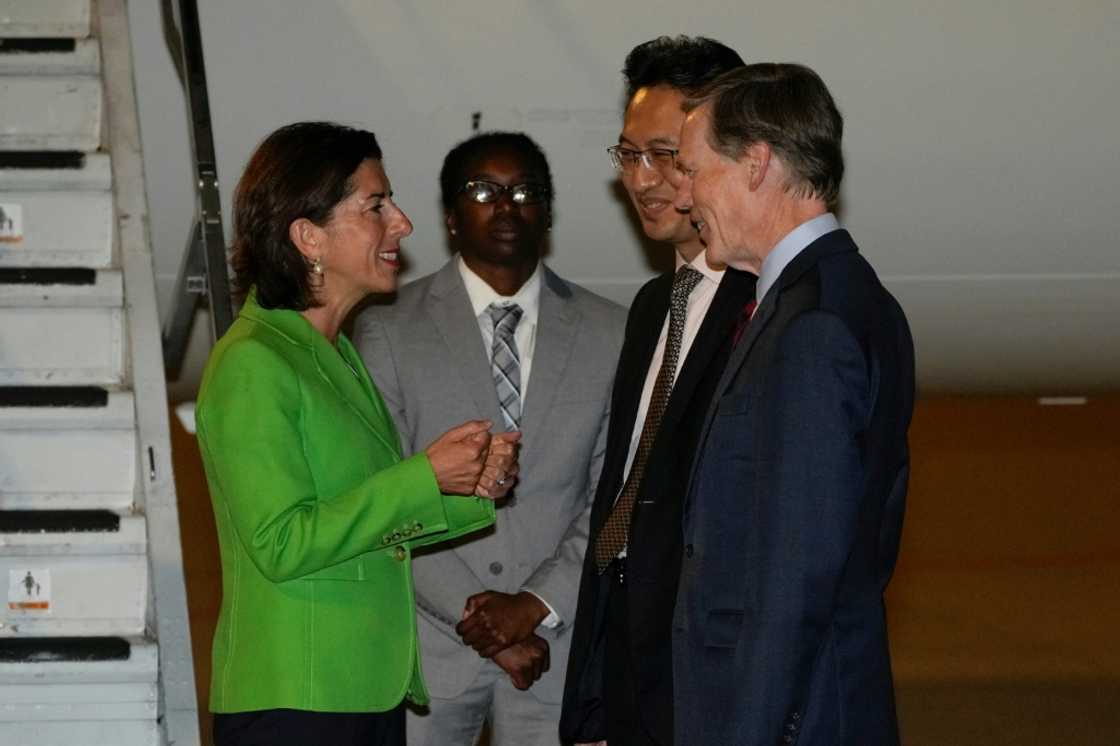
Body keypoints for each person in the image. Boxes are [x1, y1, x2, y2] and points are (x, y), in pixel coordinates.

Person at [194, 122, 519, 746]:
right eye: (376, 206)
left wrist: (470, 488)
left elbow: (364, 522)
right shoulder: (253, 361)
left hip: (360, 691)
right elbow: (283, 541)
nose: (402, 223)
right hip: (297, 700)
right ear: (308, 235)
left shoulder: (333, 353)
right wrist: (423, 475)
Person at [669, 64, 916, 745]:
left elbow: (795, 577)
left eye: (693, 170)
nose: (683, 196)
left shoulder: (811, 329)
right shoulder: (848, 298)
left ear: (756, 163)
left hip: (787, 721)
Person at [353, 131, 626, 746]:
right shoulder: (388, 330)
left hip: (554, 646)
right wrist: (480, 619)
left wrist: (532, 606)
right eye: (484, 191)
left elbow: (613, 497)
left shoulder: (612, 332)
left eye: (525, 192)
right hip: (431, 647)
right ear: (450, 216)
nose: (506, 206)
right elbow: (381, 496)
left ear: (548, 215)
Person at [560, 35, 752, 746]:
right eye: (628, 155)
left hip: (709, 688)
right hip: (627, 677)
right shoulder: (651, 307)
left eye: (666, 156)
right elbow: (623, 503)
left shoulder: (767, 310)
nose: (642, 180)